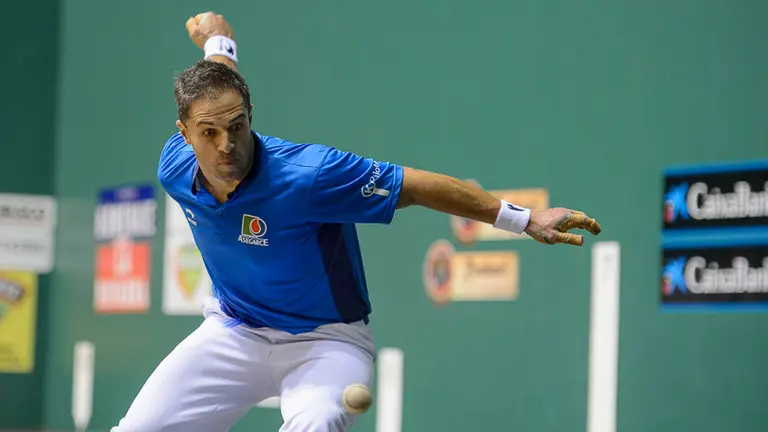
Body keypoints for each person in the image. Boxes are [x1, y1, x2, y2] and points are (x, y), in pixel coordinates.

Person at [111, 11, 601, 432]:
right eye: (208, 132)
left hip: (326, 341)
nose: (226, 145)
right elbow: (217, 83)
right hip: (234, 330)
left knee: (316, 423)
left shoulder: (310, 175)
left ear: (250, 115)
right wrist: (219, 41)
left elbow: (417, 186)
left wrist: (524, 218)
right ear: (184, 134)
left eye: (237, 126)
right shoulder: (174, 166)